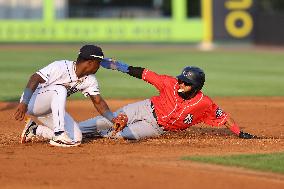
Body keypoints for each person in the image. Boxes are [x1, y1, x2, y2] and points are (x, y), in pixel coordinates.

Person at [78, 59, 256, 140]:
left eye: (185, 82)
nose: (180, 83)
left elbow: (224, 118)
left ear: (195, 86)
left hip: (155, 128)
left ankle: (93, 136)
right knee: (107, 120)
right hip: (145, 108)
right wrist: (118, 66)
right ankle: (71, 130)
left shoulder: (204, 103)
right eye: (180, 79)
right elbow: (144, 74)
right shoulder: (169, 83)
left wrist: (239, 132)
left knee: (121, 135)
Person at [14, 45, 123, 147]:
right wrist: (24, 102)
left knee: (76, 138)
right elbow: (35, 78)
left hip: (51, 109)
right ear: (90, 62)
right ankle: (59, 133)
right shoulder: (61, 66)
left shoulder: (90, 80)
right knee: (60, 89)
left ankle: (34, 130)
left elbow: (98, 102)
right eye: (98, 62)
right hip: (33, 101)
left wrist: (113, 119)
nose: (99, 66)